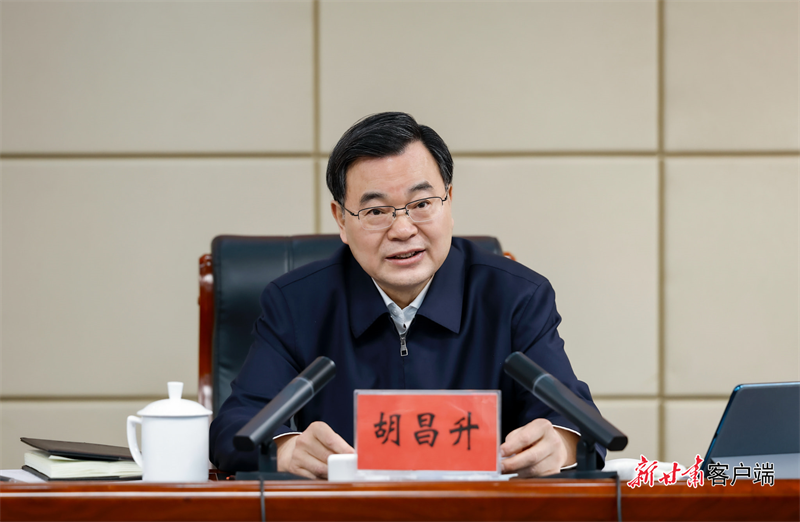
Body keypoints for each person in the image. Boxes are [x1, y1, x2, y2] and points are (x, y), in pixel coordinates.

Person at [209, 112, 603, 478]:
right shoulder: (296, 304)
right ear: (341, 220)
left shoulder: (516, 298)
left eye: (421, 204)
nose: (402, 230)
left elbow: (578, 423)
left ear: (449, 201)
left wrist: (560, 445)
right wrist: (286, 450)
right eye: (376, 211)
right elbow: (234, 427)